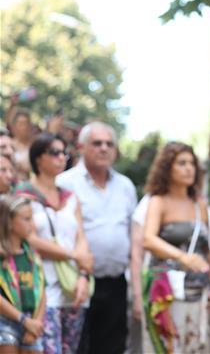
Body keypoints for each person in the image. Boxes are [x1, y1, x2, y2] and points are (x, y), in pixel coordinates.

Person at [56, 122, 136, 354]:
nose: (104, 148)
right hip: (76, 283)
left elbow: (132, 234)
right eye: (97, 143)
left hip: (116, 282)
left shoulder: (125, 186)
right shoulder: (65, 183)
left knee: (112, 347)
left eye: (109, 144)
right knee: (77, 347)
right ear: (82, 147)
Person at [142, 142, 210, 353]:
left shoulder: (199, 204)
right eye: (182, 163)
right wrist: (182, 257)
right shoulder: (158, 201)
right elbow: (148, 239)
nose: (189, 169)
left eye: (192, 163)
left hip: (198, 291)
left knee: (196, 344)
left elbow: (206, 249)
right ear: (167, 168)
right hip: (168, 292)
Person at [17, 134, 92, 354]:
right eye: (54, 152)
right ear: (38, 158)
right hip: (42, 287)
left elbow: (81, 237)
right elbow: (29, 238)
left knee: (70, 349)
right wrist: (73, 255)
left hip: (72, 286)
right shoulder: (24, 196)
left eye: (64, 153)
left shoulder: (70, 197)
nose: (61, 158)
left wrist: (83, 276)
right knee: (49, 349)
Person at [0, 195, 46, 353]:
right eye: (27, 219)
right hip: (6, 321)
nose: (32, 224)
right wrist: (23, 320)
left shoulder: (32, 256)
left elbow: (41, 292)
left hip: (31, 322)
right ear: (9, 222)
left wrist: (36, 322)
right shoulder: (2, 257)